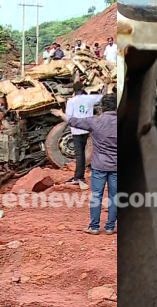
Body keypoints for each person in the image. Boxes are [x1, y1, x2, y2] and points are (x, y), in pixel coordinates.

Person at [51, 94, 117, 235]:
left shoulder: (95, 121)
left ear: (103, 107)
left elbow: (74, 121)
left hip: (99, 166)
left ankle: (94, 227)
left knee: (97, 196)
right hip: (116, 167)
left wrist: (61, 114)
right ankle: (110, 227)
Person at [64, 82, 103, 185]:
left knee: (79, 154)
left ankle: (78, 177)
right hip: (86, 129)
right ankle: (80, 175)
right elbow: (102, 96)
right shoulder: (89, 99)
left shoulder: (71, 101)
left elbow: (68, 117)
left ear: (73, 90)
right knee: (83, 153)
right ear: (83, 89)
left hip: (76, 130)